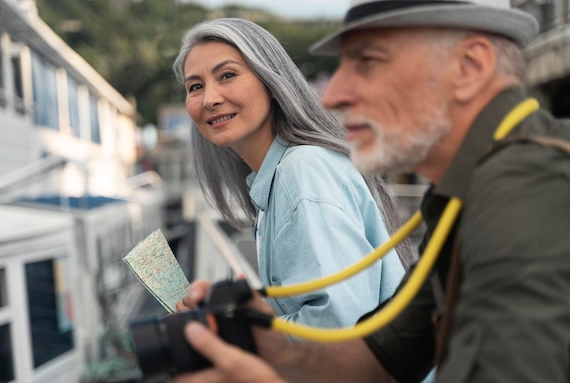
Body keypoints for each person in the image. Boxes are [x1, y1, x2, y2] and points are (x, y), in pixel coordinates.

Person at [169, 0, 570, 383]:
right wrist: (265, 337)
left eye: (369, 64)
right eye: (193, 86)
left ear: (469, 67)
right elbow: (384, 360)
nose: (336, 94)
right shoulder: (459, 196)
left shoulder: (530, 183)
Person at [173, 19, 420, 335]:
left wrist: (227, 336)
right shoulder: (281, 177)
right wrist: (237, 311)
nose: (210, 99)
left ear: (272, 83)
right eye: (195, 86)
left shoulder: (302, 171)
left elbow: (336, 325)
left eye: (228, 75)